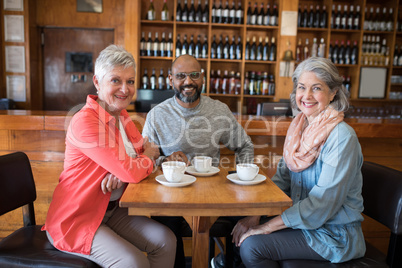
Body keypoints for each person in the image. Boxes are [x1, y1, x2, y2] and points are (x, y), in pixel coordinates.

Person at [42, 45, 176, 268]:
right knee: (134, 263)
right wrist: (129, 169)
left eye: (130, 81)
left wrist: (125, 172)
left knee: (166, 241)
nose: (125, 89)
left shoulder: (122, 116)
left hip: (112, 211)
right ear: (97, 82)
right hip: (76, 218)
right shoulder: (85, 121)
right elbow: (136, 165)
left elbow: (139, 157)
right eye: (116, 80)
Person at [231, 57, 365, 267]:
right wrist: (255, 216)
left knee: (253, 246)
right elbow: (281, 181)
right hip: (303, 225)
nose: (307, 96)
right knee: (240, 227)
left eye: (317, 88)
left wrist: (266, 227)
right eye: (302, 87)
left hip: (332, 234)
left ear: (333, 93)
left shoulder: (341, 137)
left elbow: (323, 204)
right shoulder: (299, 128)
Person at [142, 54, 254, 268]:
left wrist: (243, 178)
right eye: (181, 76)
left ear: (202, 78)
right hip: (172, 194)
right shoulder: (157, 115)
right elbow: (144, 159)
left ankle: (225, 263)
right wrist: (166, 159)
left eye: (194, 75)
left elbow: (245, 145)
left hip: (215, 192)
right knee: (164, 226)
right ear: (170, 79)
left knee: (250, 223)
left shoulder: (218, 110)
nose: (188, 81)